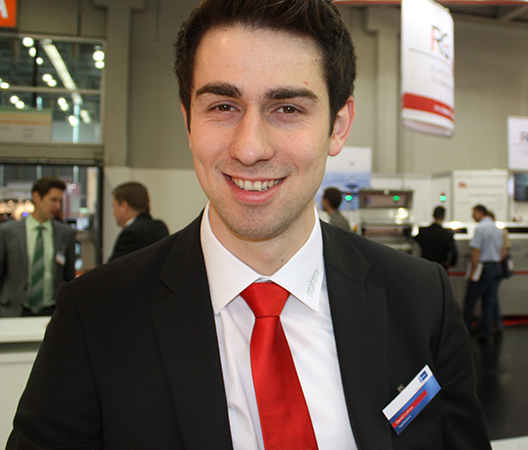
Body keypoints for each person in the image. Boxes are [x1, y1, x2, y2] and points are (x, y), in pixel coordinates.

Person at [7, 1, 491, 449]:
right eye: (223, 106)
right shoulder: (97, 318)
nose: (250, 148)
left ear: (338, 125)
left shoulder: (420, 299)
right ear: (188, 120)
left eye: (288, 108)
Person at [0, 177, 76, 317]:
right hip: (14, 310)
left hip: (52, 311)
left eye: (60, 201)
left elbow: (69, 276)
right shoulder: (7, 232)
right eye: (53, 200)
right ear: (36, 197)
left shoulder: (66, 233)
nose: (57, 206)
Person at [463, 204, 506, 344]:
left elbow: (476, 252)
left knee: (470, 300)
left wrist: (472, 272)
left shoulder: (480, 229)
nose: (472, 216)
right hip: (495, 267)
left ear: (480, 212)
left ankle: (465, 331)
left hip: (483, 268)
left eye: (473, 213)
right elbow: (502, 252)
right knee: (489, 302)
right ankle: (486, 333)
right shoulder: (497, 229)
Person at [108, 181, 170, 262]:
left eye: (114, 206)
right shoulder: (160, 227)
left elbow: (113, 267)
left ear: (124, 206)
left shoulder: (130, 234)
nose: (113, 213)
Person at [414, 206, 458, 270]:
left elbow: (413, 240)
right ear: (444, 217)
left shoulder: (423, 231)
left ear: (433, 215)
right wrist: (451, 263)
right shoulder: (447, 234)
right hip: (440, 267)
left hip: (425, 265)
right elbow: (454, 253)